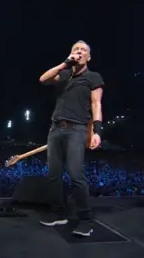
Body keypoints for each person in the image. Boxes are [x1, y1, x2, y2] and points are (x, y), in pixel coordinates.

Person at [38, 40, 104, 237]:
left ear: (89, 57)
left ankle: (86, 219)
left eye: (83, 50)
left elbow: (96, 104)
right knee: (54, 176)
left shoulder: (93, 77)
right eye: (76, 49)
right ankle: (58, 213)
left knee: (76, 175)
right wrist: (65, 63)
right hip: (55, 129)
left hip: (77, 129)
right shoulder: (64, 74)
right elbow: (43, 79)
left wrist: (98, 132)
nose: (80, 52)